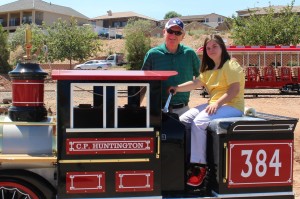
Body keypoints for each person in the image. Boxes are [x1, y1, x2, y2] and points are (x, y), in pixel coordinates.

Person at [169, 34, 245, 187]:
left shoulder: (230, 65)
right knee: (184, 120)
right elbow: (195, 82)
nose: (211, 50)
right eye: (208, 48)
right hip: (216, 104)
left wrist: (217, 104)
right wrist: (177, 88)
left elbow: (234, 90)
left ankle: (200, 167)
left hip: (231, 106)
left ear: (222, 48)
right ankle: (188, 160)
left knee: (199, 121)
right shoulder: (210, 69)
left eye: (214, 46)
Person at [142, 18, 200, 116]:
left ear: (183, 36)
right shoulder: (152, 54)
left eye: (178, 33)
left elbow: (203, 78)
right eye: (170, 31)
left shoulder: (190, 54)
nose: (173, 35)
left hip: (183, 111)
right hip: (156, 110)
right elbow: (142, 83)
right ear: (164, 32)